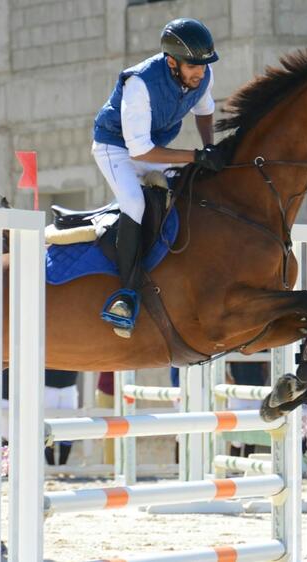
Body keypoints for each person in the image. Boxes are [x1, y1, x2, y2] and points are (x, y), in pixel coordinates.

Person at [91, 17, 226, 338]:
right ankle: (125, 295)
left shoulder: (202, 76)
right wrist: (195, 156)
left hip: (155, 149)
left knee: (197, 183)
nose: (200, 72)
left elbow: (205, 111)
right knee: (135, 203)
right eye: (193, 66)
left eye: (204, 66)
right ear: (171, 61)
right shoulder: (140, 83)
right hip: (116, 149)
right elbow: (139, 153)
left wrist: (209, 150)